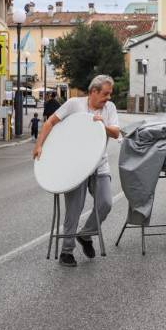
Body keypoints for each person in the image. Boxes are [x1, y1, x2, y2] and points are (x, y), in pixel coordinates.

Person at [33, 75, 120, 267]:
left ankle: (86, 235)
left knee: (105, 202)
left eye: (109, 94)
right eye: (105, 94)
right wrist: (39, 146)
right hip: (75, 165)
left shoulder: (109, 108)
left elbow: (116, 132)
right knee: (74, 209)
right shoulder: (74, 104)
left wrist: (102, 125)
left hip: (99, 164)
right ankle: (66, 252)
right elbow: (50, 123)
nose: (108, 97)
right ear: (93, 92)